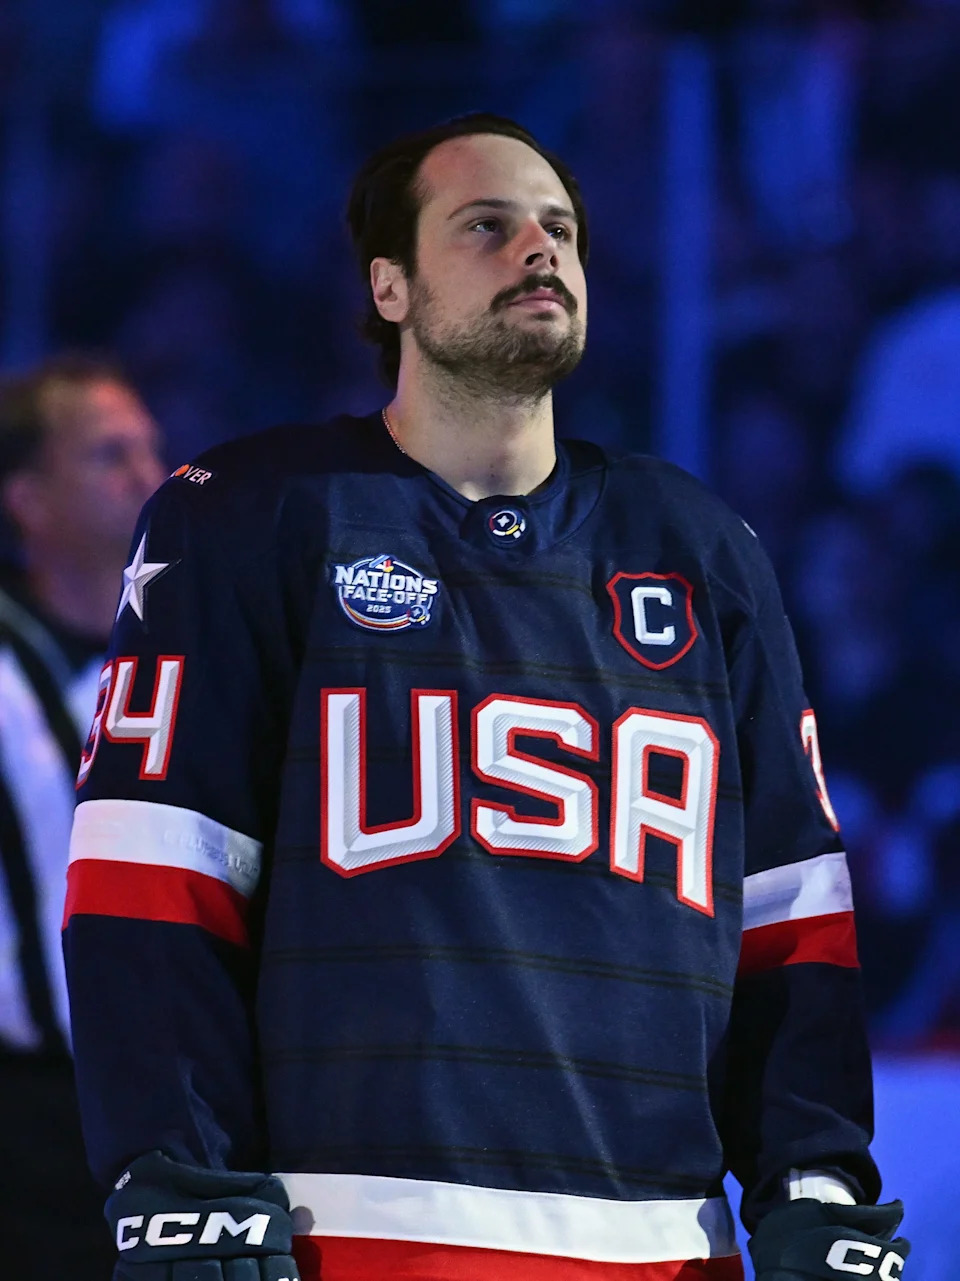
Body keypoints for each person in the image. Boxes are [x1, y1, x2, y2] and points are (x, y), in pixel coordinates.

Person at [63, 115, 910, 1281]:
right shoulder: (249, 515)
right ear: (390, 286)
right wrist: (178, 1178)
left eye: (559, 228)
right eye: (486, 226)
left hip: (663, 1244)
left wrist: (814, 1187)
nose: (539, 248)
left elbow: (791, 909)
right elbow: (153, 873)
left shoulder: (703, 546)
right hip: (346, 1234)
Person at [0, 355, 166, 1279]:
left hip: (174, 1099)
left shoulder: (201, 649)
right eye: (109, 454)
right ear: (28, 498)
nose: (148, 474)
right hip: (28, 1114)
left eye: (149, 448)